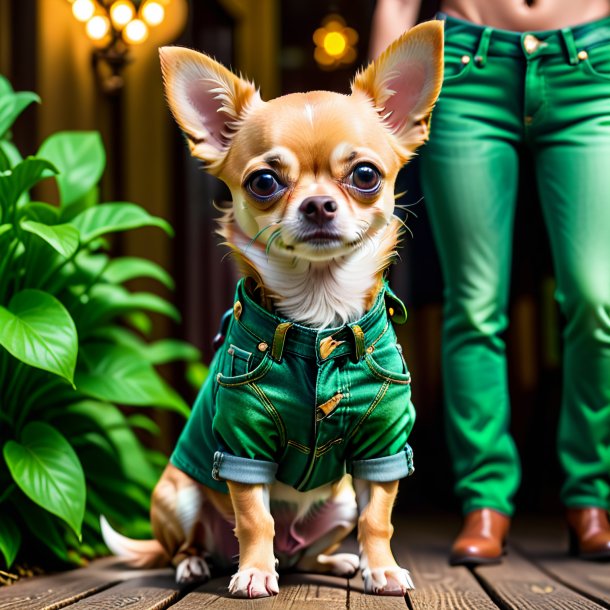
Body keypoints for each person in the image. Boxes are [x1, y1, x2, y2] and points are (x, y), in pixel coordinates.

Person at [370, 0, 610, 564]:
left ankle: (590, 496)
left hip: (591, 66)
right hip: (466, 66)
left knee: (597, 298)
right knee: (474, 304)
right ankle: (485, 501)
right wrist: (375, 118)